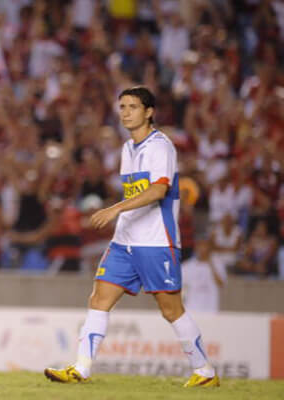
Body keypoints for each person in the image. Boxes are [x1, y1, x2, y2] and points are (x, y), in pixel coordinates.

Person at [44, 87, 220, 387]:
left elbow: (157, 191)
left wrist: (114, 209)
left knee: (171, 309)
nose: (125, 112)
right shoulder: (128, 148)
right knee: (99, 298)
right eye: (122, 106)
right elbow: (137, 192)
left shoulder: (160, 146)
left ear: (149, 112)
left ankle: (204, 371)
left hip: (156, 242)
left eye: (133, 106)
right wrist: (118, 214)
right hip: (125, 241)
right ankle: (81, 368)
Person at [182, 238, 226, 313]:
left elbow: (221, 284)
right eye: (200, 246)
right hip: (191, 309)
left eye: (206, 246)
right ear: (196, 248)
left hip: (211, 309)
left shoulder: (218, 264)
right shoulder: (186, 266)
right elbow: (180, 288)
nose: (203, 249)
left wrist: (211, 265)